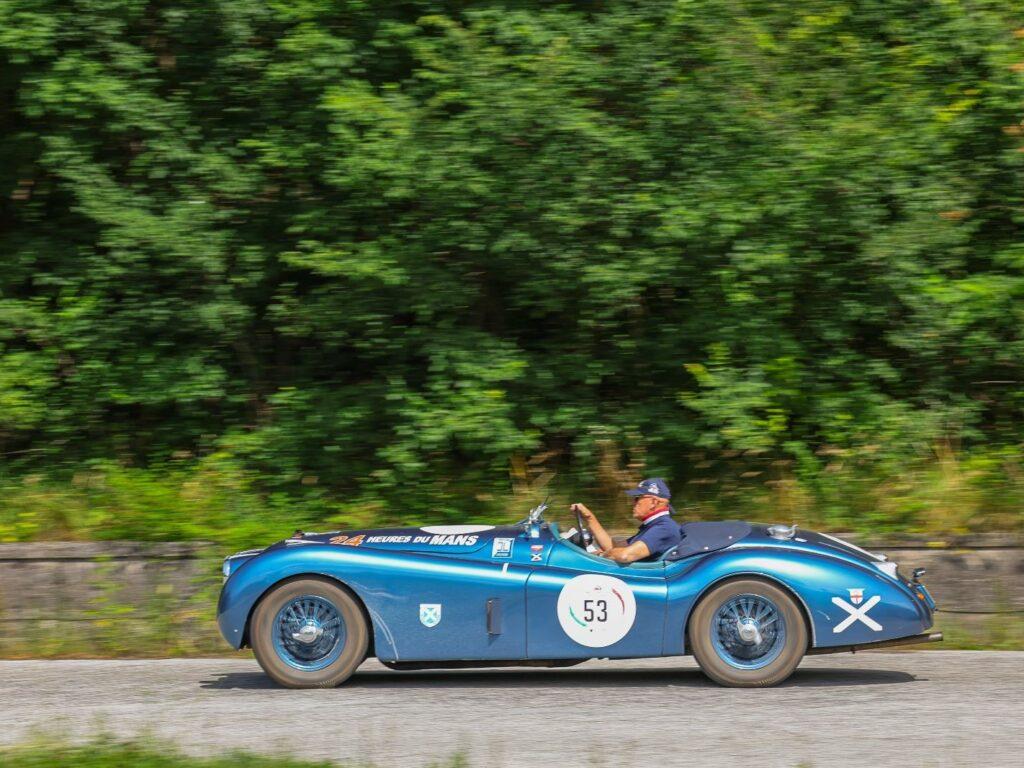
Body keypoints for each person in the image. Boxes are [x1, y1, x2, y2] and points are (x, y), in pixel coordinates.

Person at [570, 477, 682, 564]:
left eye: (637, 498)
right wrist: (589, 517)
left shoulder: (664, 528)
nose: (633, 502)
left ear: (653, 502)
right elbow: (613, 547)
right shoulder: (653, 526)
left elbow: (625, 555)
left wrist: (601, 555)